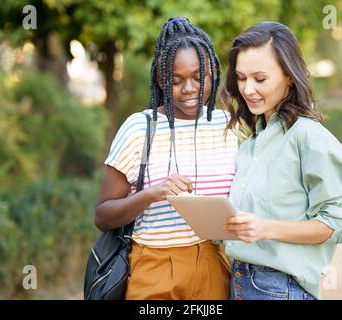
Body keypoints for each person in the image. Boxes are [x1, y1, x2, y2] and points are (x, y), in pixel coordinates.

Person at [94, 17, 238, 300]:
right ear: (160, 80)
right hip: (154, 267)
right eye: (176, 80)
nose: (189, 89)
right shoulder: (139, 128)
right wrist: (151, 194)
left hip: (214, 264)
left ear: (214, 75)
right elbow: (103, 215)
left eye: (199, 77)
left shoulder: (229, 126)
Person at [220, 21, 342, 300]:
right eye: (241, 78)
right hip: (237, 282)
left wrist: (265, 228)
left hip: (281, 290)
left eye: (260, 79)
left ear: (289, 77)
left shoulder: (309, 138)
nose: (247, 89)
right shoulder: (251, 142)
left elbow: (339, 225)